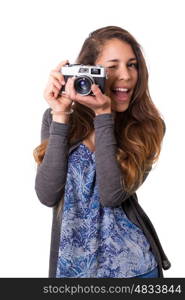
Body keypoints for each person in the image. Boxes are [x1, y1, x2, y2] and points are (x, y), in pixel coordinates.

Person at [33, 26, 171, 278]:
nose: (126, 76)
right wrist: (61, 115)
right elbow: (47, 195)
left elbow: (111, 194)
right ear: (89, 71)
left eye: (132, 65)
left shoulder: (148, 127)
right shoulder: (57, 119)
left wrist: (103, 116)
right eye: (112, 66)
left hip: (132, 270)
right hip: (73, 271)